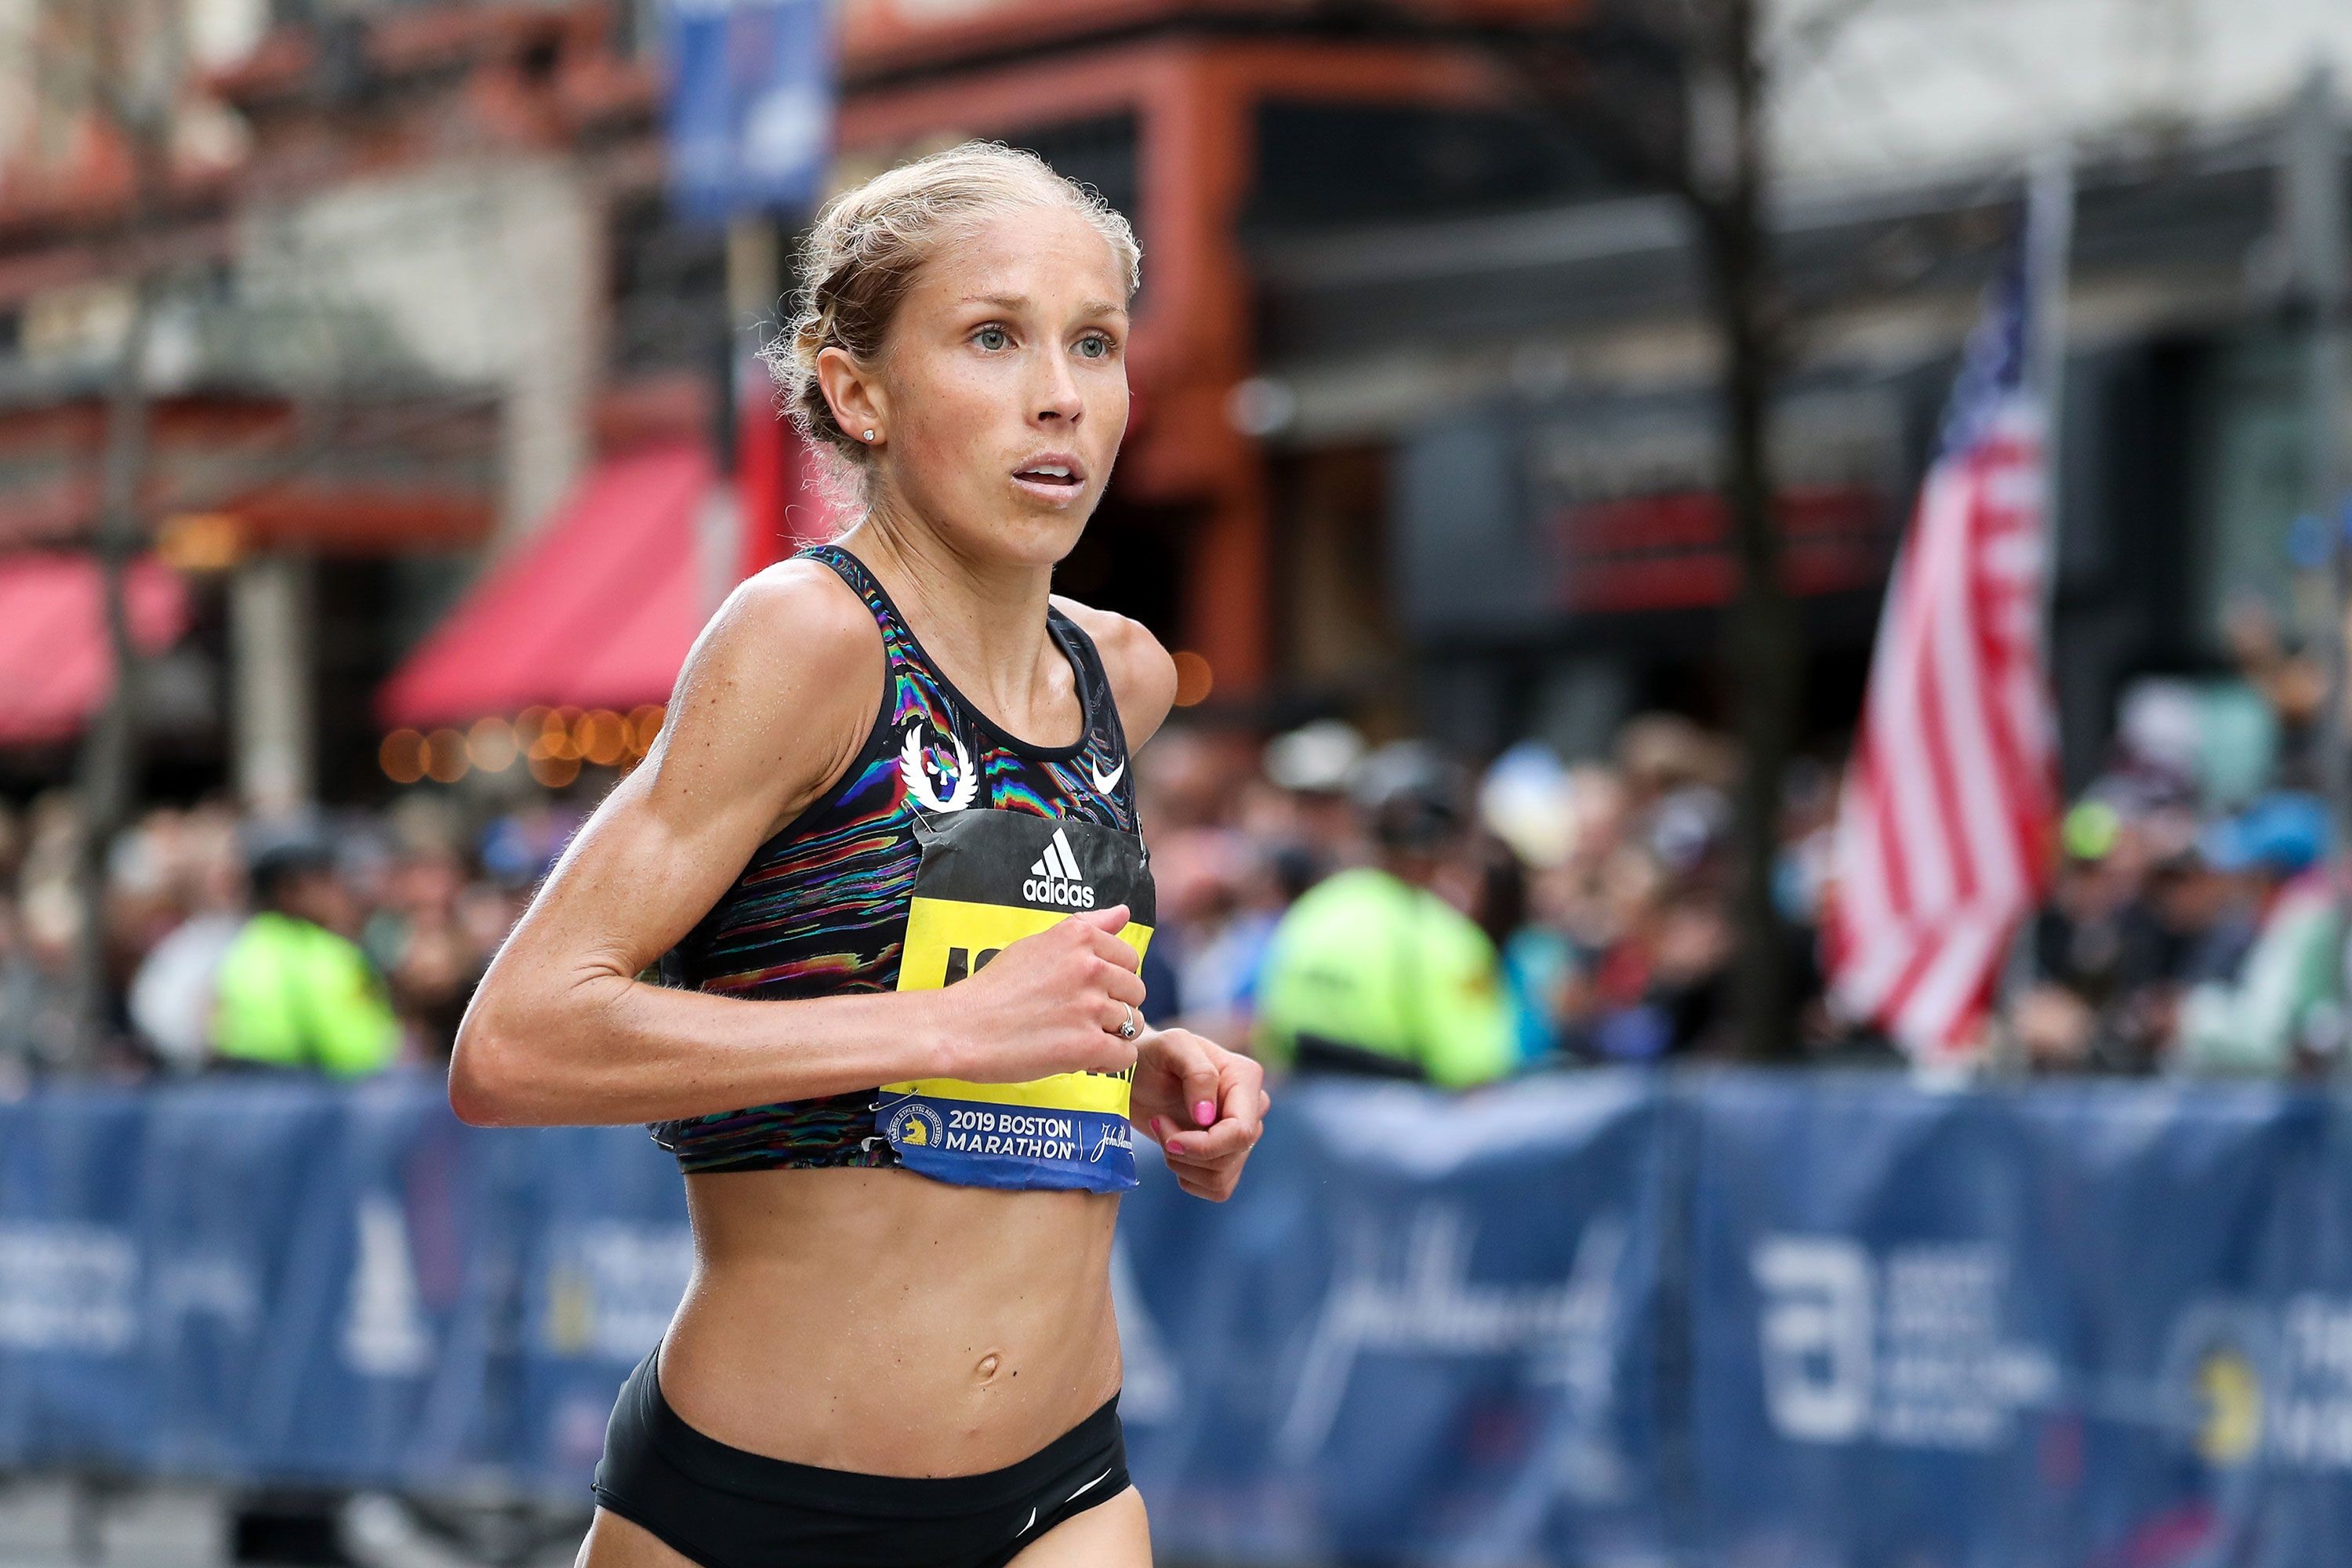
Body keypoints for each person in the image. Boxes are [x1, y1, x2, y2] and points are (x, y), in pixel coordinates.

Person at [448, 142, 1269, 1568]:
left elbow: (949, 1000)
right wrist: (950, 1027)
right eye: (994, 337)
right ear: (857, 393)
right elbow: (515, 1046)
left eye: (1094, 343)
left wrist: (1125, 1058)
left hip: (1063, 1490)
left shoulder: (1123, 677)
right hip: (762, 1508)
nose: (1061, 393)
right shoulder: (809, 641)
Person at [1252, 742, 1515, 1087]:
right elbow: (1474, 1069)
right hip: (1411, 1113)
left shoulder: (1314, 909)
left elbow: (1274, 1034)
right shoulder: (1445, 937)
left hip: (1306, 1108)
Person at [209, 828, 401, 1077]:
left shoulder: (242, 948)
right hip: (318, 1093)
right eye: (326, 879)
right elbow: (358, 1053)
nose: (339, 891)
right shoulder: (328, 955)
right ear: (288, 890)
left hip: (245, 1090)